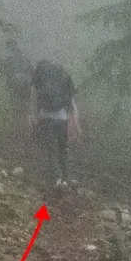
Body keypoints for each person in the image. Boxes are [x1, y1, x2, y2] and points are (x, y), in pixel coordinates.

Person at [30, 59, 80, 188]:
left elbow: (34, 98)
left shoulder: (39, 75)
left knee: (51, 148)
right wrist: (75, 121)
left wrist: (35, 116)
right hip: (62, 117)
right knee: (63, 148)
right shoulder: (62, 75)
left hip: (45, 116)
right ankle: (66, 178)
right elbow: (71, 99)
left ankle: (56, 178)